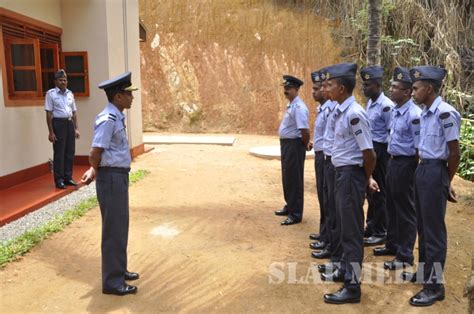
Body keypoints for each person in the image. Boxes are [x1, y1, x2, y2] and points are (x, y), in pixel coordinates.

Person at [322, 63, 378, 304]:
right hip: (342, 174)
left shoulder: (355, 114)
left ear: (341, 88)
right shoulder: (340, 110)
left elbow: (369, 153)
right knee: (346, 228)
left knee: (352, 232)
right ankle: (345, 270)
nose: (326, 88)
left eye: (330, 84)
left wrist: (365, 178)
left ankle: (353, 287)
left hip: (351, 176)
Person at [405, 66, 460, 307]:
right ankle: (424, 271)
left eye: (416, 88)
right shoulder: (426, 112)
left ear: (429, 88)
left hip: (436, 171)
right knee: (423, 226)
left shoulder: (445, 113)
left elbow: (454, 152)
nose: (413, 92)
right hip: (423, 169)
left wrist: (445, 180)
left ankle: (435, 286)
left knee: (434, 231)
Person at [81, 72, 140, 296]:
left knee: (120, 226)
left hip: (118, 176)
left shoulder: (117, 116)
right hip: (111, 178)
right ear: (117, 97)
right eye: (128, 94)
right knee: (113, 229)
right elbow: (95, 151)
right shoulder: (108, 120)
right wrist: (94, 169)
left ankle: (119, 270)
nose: (131, 98)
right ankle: (112, 282)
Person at [381, 67, 421, 270]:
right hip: (393, 161)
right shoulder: (396, 110)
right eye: (391, 86)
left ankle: (405, 255)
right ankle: (392, 244)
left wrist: (410, 168)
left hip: (406, 164)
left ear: (406, 92)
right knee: (391, 204)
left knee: (405, 209)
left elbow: (418, 148)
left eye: (395, 87)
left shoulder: (414, 114)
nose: (391, 90)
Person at [360, 66, 394, 247]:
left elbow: (391, 132)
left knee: (379, 192)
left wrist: (385, 157)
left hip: (381, 151)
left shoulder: (386, 105)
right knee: (370, 191)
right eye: (363, 84)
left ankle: (381, 231)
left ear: (378, 85)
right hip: (371, 149)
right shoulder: (371, 103)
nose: (364, 88)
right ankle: (371, 226)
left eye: (368, 85)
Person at [312, 66, 342, 266]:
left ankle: (332, 245)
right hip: (324, 157)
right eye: (321, 87)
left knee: (334, 206)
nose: (323, 90)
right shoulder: (327, 109)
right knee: (326, 200)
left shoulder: (336, 110)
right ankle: (327, 237)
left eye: (325, 86)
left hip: (334, 161)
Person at [274, 75, 310, 225]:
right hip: (288, 145)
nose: (285, 90)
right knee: (288, 177)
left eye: (288, 88)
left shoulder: (299, 107)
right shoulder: (292, 105)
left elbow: (305, 131)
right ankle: (290, 206)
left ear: (296, 89)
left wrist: (304, 144)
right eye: (285, 88)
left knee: (294, 178)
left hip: (294, 146)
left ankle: (296, 213)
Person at [45, 69, 80, 189]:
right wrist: (51, 132)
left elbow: (74, 112)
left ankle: (68, 177)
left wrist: (76, 128)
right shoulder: (51, 94)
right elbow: (49, 114)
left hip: (69, 123)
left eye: (65, 80)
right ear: (55, 81)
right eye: (60, 80)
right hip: (58, 124)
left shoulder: (70, 94)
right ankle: (59, 180)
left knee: (70, 151)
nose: (63, 82)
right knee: (59, 153)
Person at [308, 69, 330, 252]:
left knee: (328, 200)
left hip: (327, 158)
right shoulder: (322, 109)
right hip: (320, 155)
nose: (313, 92)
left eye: (317, 88)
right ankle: (325, 233)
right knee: (323, 197)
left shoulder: (331, 109)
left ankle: (328, 237)